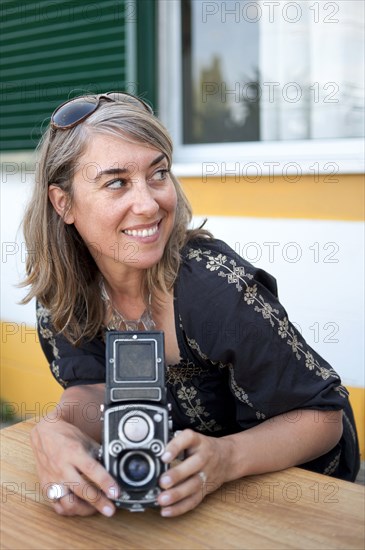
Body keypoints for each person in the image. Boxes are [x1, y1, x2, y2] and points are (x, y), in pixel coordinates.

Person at [21, 91, 360, 518]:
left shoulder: (212, 289)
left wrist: (227, 458)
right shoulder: (62, 291)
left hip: (289, 489)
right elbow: (90, 388)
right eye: (117, 182)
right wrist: (57, 428)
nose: (149, 204)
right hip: (182, 496)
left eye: (157, 173)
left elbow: (322, 419)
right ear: (62, 202)